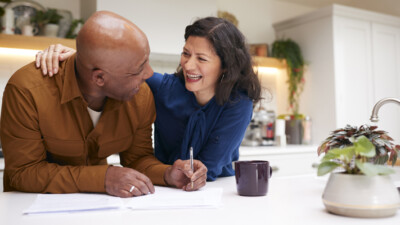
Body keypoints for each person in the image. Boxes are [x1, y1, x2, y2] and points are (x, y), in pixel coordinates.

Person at [1, 11, 207, 197]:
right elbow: (23, 173)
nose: (149, 74)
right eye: (138, 69)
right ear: (99, 78)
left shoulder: (139, 94)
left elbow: (137, 159)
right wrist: (103, 178)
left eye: (146, 60)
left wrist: (168, 173)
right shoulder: (27, 91)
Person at [36, 17, 262, 181]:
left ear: (226, 67)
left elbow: (208, 167)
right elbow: (117, 69)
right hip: (163, 184)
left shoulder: (238, 104)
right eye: (186, 53)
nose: (188, 65)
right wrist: (77, 57)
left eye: (201, 58)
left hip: (213, 190)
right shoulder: (164, 88)